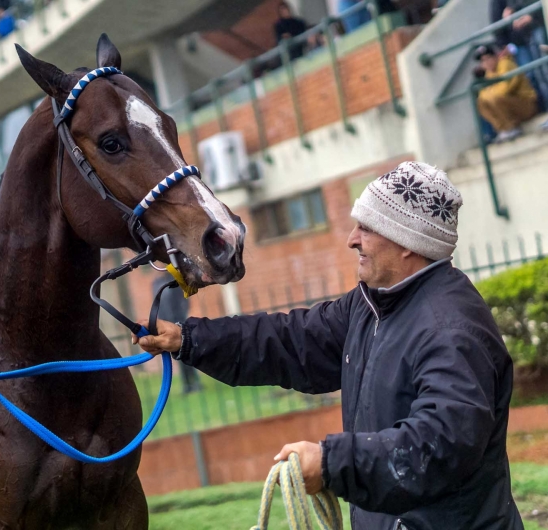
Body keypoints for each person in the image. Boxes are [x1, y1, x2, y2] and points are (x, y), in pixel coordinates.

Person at [135, 161, 523, 530]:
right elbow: (294, 340)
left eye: (367, 228)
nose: (352, 239)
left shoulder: (451, 330)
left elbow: (438, 446)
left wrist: (331, 464)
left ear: (408, 243)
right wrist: (189, 339)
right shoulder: (372, 303)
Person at [475, 44, 538, 142]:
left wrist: (490, 92)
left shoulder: (505, 64)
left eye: (488, 58)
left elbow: (504, 90)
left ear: (495, 56)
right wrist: (489, 94)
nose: (486, 63)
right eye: (482, 61)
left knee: (496, 98)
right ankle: (503, 129)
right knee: (481, 103)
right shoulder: (488, 73)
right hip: (512, 108)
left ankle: (512, 128)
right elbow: (482, 96)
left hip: (527, 105)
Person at [490, 0, 548, 107]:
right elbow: (497, 15)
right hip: (524, 34)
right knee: (537, 74)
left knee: (543, 70)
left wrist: (531, 15)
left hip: (537, 26)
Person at [152, 275, 202, 394]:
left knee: (188, 351)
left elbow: (185, 301)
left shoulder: (176, 280)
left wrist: (181, 317)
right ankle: (186, 384)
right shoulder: (156, 283)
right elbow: (157, 304)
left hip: (179, 322)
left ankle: (195, 382)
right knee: (178, 355)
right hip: (166, 322)